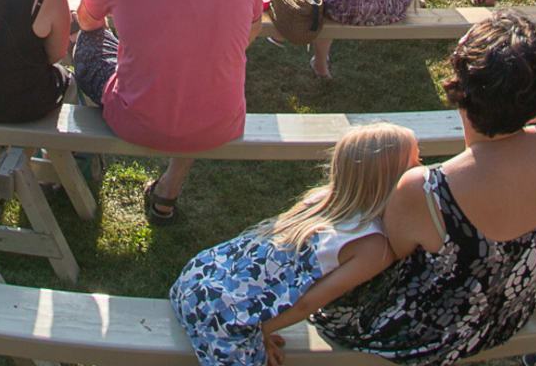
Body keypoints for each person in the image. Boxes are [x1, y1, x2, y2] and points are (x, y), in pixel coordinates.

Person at [309, 13, 536, 364]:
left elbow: (397, 252)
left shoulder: (427, 189)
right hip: (510, 311)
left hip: (436, 335)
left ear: (460, 88)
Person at [73, 0, 261, 222]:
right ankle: (168, 189)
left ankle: (80, 162)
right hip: (219, 118)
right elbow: (251, 30)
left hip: (138, 118)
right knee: (195, 70)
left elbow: (88, 21)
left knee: (86, 43)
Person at [173, 124, 420, 366]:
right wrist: (258, 334)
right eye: (414, 164)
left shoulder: (321, 199)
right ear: (389, 179)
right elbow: (307, 304)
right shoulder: (374, 245)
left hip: (198, 274)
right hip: (223, 313)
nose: (422, 169)